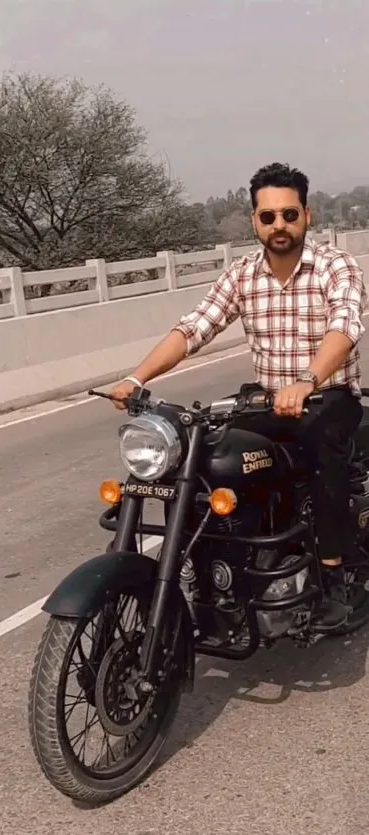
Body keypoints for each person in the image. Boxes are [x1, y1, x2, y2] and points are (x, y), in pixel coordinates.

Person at [110, 162, 367, 631]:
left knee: (324, 447)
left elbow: (345, 325)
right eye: (268, 217)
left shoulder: (335, 265)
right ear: (254, 221)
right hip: (270, 403)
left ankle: (335, 576)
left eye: (289, 214)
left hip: (327, 397)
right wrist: (137, 377)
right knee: (203, 454)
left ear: (306, 215)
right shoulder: (242, 274)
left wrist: (308, 379)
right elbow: (194, 328)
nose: (279, 226)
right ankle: (209, 570)